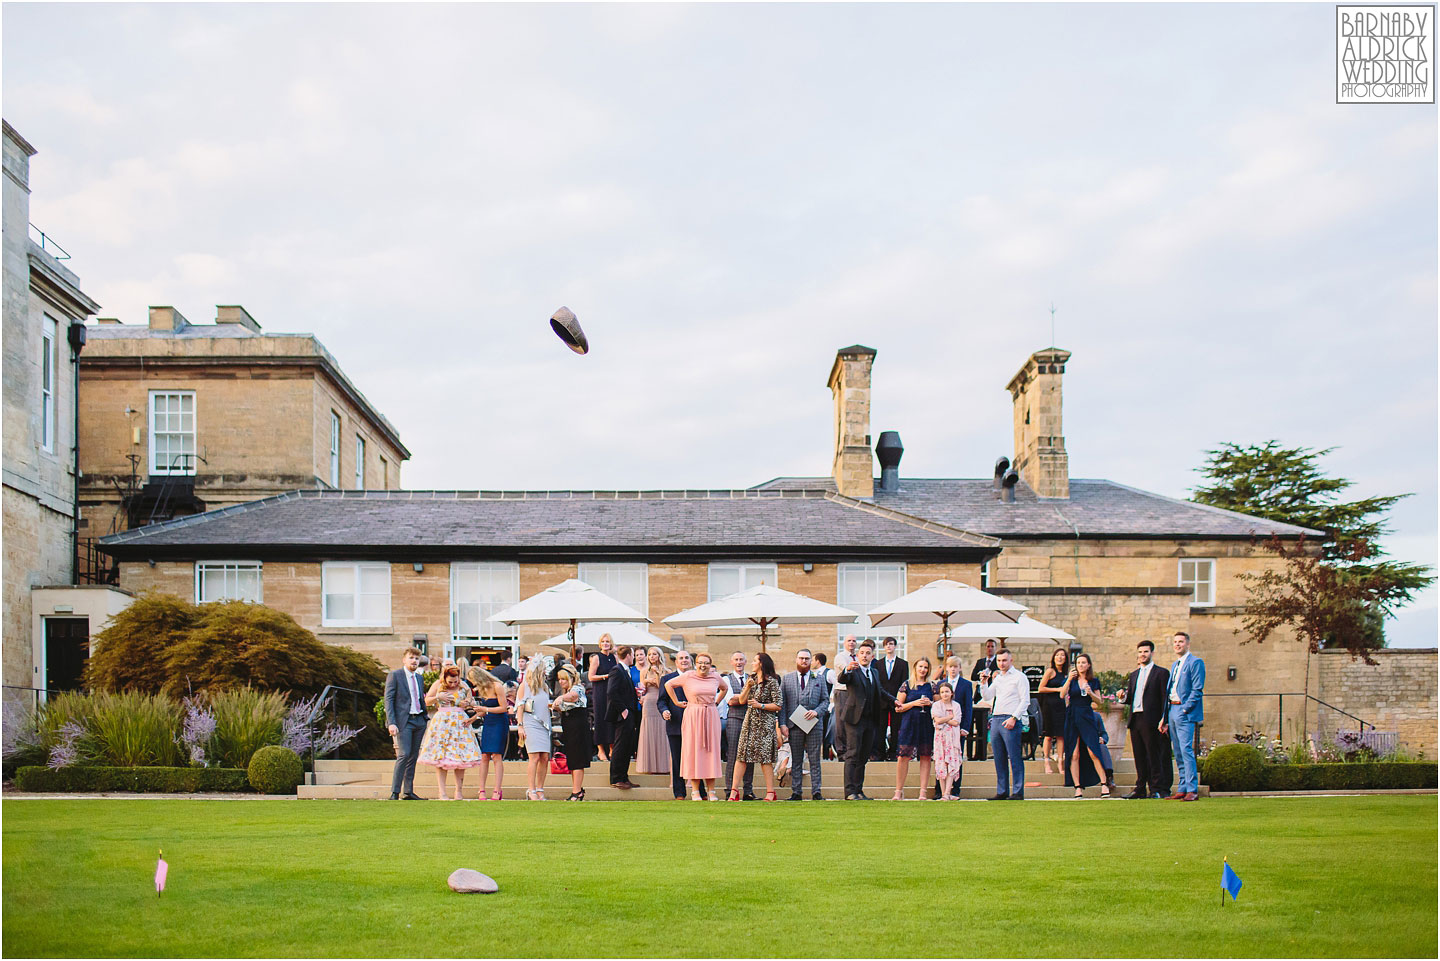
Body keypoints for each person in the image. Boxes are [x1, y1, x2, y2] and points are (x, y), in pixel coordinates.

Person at [665, 651, 726, 801]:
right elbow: (668, 684)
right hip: (693, 714)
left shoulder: (715, 676)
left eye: (706, 663)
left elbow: (724, 688)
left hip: (710, 714)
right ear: (695, 663)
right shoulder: (688, 676)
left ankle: (711, 791)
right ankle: (695, 790)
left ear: (710, 665)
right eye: (700, 662)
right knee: (694, 752)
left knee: (711, 752)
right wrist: (676, 702)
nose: (703, 665)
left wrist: (716, 702)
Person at [1117, 639, 1172, 799]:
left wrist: (1164, 719)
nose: (1143, 655)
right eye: (1140, 652)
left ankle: (1156, 788)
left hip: (1152, 719)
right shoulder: (1134, 675)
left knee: (1153, 754)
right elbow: (1131, 698)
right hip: (1136, 719)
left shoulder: (1161, 673)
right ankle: (1140, 788)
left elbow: (1164, 698)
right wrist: (1122, 697)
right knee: (1139, 755)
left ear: (1152, 653)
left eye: (1146, 652)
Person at [418, 665, 482, 799]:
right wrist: (437, 697)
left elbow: (472, 701)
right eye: (450, 681)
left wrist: (467, 703)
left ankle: (458, 791)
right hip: (443, 722)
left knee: (460, 756)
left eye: (455, 681)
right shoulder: (438, 684)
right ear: (445, 678)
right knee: (441, 757)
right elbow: (426, 701)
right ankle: (442, 791)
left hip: (459, 721)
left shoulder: (464, 685)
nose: (453, 684)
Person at [729, 651, 782, 801]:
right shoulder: (750, 679)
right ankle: (734, 791)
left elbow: (778, 704)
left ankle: (771, 792)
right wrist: (747, 687)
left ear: (761, 664)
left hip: (765, 723)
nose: (752, 663)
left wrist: (761, 705)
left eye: (754, 661)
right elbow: (741, 700)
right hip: (750, 721)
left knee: (765, 758)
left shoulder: (772, 682)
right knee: (742, 755)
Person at [1160, 631, 1205, 801]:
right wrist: (1164, 717)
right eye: (1175, 642)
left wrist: (1186, 709)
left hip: (1184, 711)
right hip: (1172, 710)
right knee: (1177, 751)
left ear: (1187, 644)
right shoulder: (1175, 665)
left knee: (1186, 750)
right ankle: (1182, 787)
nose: (1177, 644)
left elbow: (1197, 689)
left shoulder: (1195, 662)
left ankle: (1192, 789)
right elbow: (1170, 691)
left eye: (1180, 642)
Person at [1058, 653, 1110, 798]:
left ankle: (1104, 784)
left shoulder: (1093, 681)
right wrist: (1068, 679)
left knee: (1093, 751)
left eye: (1083, 663)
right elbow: (1062, 695)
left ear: (1088, 665)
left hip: (1087, 715)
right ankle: (1077, 787)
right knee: (1074, 754)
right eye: (1078, 663)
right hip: (1072, 715)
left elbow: (1099, 701)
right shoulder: (1071, 680)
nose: (1080, 665)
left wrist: (1090, 693)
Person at [980, 649, 1029, 800]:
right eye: (999, 661)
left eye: (1004, 660)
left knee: (1014, 756)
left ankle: (1018, 791)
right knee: (999, 757)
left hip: (1011, 717)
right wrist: (983, 683)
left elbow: (1025, 700)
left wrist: (1014, 717)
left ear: (1011, 660)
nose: (1001, 663)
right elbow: (988, 695)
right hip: (996, 717)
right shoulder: (999, 678)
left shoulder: (1020, 677)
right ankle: (1002, 791)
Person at [779, 648, 827, 801]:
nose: (804, 661)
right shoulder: (787, 679)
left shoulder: (819, 678)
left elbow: (825, 700)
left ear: (811, 661)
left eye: (807, 658)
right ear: (796, 660)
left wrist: (817, 712)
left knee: (814, 759)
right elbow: (783, 703)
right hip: (794, 725)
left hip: (814, 724)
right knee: (797, 759)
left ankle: (816, 791)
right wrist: (783, 724)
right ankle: (796, 792)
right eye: (801, 658)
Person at [837, 639, 883, 800]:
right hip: (854, 720)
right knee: (853, 754)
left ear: (872, 656)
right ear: (857, 655)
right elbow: (842, 679)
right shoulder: (853, 671)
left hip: (870, 720)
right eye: (862, 653)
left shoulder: (875, 673)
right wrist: (847, 669)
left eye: (868, 653)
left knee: (863, 756)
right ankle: (849, 791)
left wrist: (895, 701)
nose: (864, 656)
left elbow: (880, 691)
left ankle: (858, 789)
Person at [384, 647, 430, 800]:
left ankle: (408, 791)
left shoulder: (419, 678)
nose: (414, 661)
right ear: (404, 659)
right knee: (404, 754)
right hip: (404, 720)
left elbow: (419, 699)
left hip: (419, 720)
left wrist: (424, 717)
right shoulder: (395, 675)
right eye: (411, 658)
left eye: (417, 659)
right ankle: (395, 791)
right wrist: (392, 722)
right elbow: (388, 700)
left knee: (413, 755)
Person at [892, 656, 935, 800]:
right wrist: (914, 703)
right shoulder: (907, 685)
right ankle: (898, 791)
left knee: (925, 756)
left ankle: (923, 791)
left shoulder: (932, 686)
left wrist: (930, 704)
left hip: (926, 724)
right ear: (915, 668)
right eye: (921, 666)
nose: (923, 670)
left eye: (926, 667)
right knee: (903, 756)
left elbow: (940, 707)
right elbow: (898, 708)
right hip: (909, 723)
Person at [931, 655, 973, 798]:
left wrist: (965, 727)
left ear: (959, 668)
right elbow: (936, 708)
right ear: (947, 668)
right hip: (941, 731)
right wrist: (943, 719)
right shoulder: (941, 684)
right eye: (950, 666)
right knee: (941, 758)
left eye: (956, 666)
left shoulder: (966, 685)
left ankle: (955, 790)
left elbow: (968, 708)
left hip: (957, 729)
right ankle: (940, 791)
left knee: (955, 758)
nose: (953, 669)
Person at [468, 665, 511, 801]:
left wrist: (485, 709)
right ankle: (481, 790)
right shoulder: (483, 690)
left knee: (496, 755)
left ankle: (497, 790)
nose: (473, 683)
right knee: (485, 755)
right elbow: (484, 710)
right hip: (488, 721)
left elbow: (503, 707)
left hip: (499, 722)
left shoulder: (497, 686)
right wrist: (473, 718)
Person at [657, 651, 697, 799]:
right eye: (681, 658)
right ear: (676, 662)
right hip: (675, 723)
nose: (684, 660)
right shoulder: (667, 679)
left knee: (696, 758)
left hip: (695, 724)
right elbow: (661, 701)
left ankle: (700, 791)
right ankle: (679, 792)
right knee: (677, 759)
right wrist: (665, 711)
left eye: (687, 658)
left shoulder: (698, 677)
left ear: (691, 661)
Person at [552, 664, 592, 801]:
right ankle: (577, 789)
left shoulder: (577, 688)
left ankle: (577, 791)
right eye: (559, 679)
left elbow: (574, 696)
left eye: (563, 679)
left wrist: (560, 699)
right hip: (569, 727)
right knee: (572, 759)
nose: (561, 682)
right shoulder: (566, 692)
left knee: (578, 759)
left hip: (578, 727)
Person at [515, 659, 552, 800]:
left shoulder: (545, 687)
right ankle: (531, 790)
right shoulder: (525, 686)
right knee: (534, 756)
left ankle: (540, 788)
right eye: (543, 669)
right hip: (530, 723)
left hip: (544, 724)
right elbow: (520, 706)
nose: (545, 672)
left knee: (544, 757)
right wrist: (520, 725)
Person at [605, 645, 641, 790]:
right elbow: (611, 692)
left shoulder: (625, 671)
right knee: (620, 745)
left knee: (627, 746)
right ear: (628, 655)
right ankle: (616, 778)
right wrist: (623, 710)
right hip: (623, 715)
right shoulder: (617, 670)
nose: (633, 657)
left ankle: (624, 776)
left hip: (629, 712)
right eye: (632, 655)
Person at [721, 651, 755, 800]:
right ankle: (730, 789)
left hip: (750, 719)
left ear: (745, 662)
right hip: (734, 718)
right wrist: (744, 698)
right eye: (736, 660)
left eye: (741, 659)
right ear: (731, 662)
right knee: (733, 754)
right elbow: (730, 701)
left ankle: (748, 790)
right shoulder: (726, 679)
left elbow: (753, 699)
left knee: (750, 755)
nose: (739, 662)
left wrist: (739, 697)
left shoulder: (752, 678)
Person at [636, 647, 671, 776]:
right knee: (648, 731)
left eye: (654, 654)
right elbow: (641, 688)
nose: (651, 656)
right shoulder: (644, 671)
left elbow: (663, 687)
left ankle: (664, 765)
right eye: (649, 654)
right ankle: (649, 765)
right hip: (649, 702)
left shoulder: (667, 671)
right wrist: (645, 683)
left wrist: (657, 675)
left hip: (661, 702)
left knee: (662, 730)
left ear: (659, 655)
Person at [930, 681, 968, 800]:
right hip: (940, 738)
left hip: (952, 738)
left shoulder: (956, 705)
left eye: (947, 691)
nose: (944, 694)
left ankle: (947, 792)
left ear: (951, 693)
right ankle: (943, 793)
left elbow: (956, 722)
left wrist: (944, 719)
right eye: (942, 692)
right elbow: (937, 720)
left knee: (952, 763)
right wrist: (949, 718)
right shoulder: (936, 705)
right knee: (941, 764)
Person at [1036, 647, 1070, 774]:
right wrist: (1057, 689)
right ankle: (1046, 761)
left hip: (1061, 706)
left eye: (1062, 655)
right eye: (1057, 655)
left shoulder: (1066, 674)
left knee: (1061, 735)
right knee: (1049, 735)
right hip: (1049, 705)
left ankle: (1060, 762)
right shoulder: (1050, 671)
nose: (1060, 657)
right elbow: (1041, 688)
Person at [875, 637, 909, 761]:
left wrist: (900, 699)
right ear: (884, 647)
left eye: (891, 644)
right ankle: (880, 753)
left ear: (895, 646)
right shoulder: (878, 664)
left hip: (897, 700)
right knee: (881, 727)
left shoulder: (903, 664)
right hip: (882, 701)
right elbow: (877, 683)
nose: (889, 646)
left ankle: (893, 752)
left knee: (896, 728)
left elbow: (905, 682)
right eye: (886, 644)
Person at [588, 633, 618, 762]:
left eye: (608, 641)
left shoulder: (614, 657)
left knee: (612, 719)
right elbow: (591, 677)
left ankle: (611, 748)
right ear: (600, 644)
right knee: (600, 719)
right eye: (603, 641)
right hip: (600, 691)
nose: (605, 643)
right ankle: (601, 750)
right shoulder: (596, 658)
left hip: (612, 691)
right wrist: (605, 676)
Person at [969, 639, 1001, 761]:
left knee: (984, 726)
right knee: (977, 724)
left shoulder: (998, 663)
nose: (990, 648)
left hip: (992, 695)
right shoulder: (980, 662)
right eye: (988, 646)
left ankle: (982, 753)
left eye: (992, 646)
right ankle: (975, 752)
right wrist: (981, 676)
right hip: (979, 694)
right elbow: (973, 676)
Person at [832, 636, 859, 760]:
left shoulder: (858, 656)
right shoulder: (840, 657)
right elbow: (848, 669)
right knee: (841, 722)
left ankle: (851, 750)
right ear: (844, 643)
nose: (852, 643)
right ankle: (841, 751)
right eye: (849, 640)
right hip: (842, 691)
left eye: (854, 641)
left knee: (853, 721)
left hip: (854, 691)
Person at [814, 652, 836, 759]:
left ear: (818, 661)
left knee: (826, 732)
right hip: (816, 708)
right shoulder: (814, 674)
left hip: (827, 708)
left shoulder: (829, 672)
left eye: (813, 660)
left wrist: (831, 700)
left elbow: (837, 685)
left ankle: (826, 756)